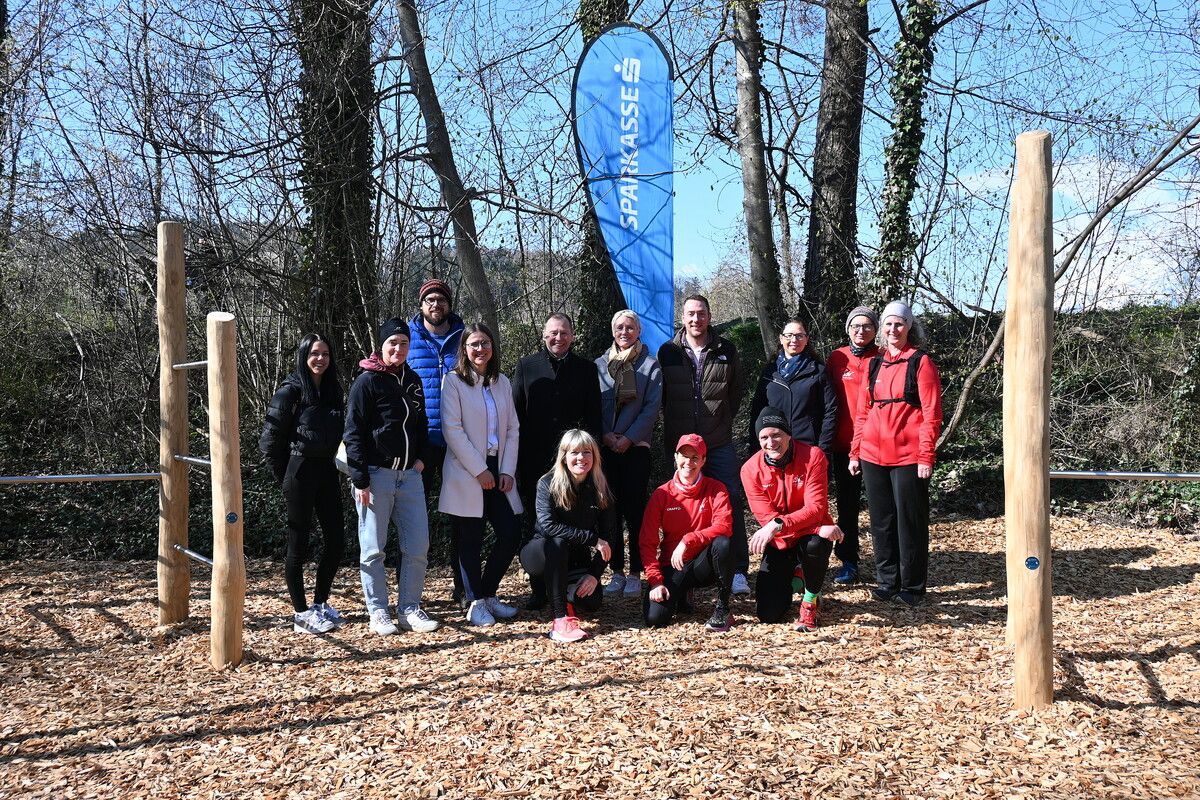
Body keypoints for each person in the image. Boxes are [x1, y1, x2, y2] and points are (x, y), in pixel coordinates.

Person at [344, 318, 440, 635]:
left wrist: (422, 461)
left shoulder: (412, 380)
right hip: (376, 476)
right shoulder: (366, 382)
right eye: (392, 343)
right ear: (381, 345)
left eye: (403, 343)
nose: (398, 348)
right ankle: (378, 611)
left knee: (418, 546)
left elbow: (422, 425)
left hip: (409, 476)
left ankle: (409, 609)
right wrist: (360, 478)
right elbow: (353, 432)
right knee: (373, 549)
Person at [849, 301, 944, 607]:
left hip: (908, 457)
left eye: (899, 324)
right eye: (888, 324)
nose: (893, 329)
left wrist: (926, 456)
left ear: (908, 327)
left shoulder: (921, 362)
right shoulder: (874, 364)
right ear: (882, 329)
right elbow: (863, 413)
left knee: (910, 523)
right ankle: (887, 582)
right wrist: (855, 452)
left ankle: (913, 586)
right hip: (872, 455)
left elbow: (932, 414)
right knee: (881, 522)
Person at [657, 294, 750, 595]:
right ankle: (685, 569)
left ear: (709, 316)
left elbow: (736, 391)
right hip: (682, 445)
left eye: (701, 313)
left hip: (717, 441)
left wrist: (721, 421)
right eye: (690, 314)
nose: (696, 319)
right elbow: (661, 396)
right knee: (681, 506)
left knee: (730, 500)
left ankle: (738, 570)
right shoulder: (668, 352)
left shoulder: (726, 349)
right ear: (682, 317)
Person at [512, 313, 603, 607]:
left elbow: (593, 418)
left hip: (575, 463)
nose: (558, 338)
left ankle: (570, 579)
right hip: (533, 461)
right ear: (544, 335)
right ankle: (539, 590)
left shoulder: (586, 369)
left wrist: (590, 459)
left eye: (564, 333)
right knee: (536, 524)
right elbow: (515, 416)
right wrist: (513, 463)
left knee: (570, 518)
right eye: (553, 333)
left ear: (572, 336)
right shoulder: (526, 366)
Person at [259, 333, 347, 634]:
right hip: (299, 471)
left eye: (325, 353)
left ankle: (320, 603)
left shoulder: (333, 391)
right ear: (303, 356)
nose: (320, 359)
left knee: (336, 540)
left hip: (327, 471)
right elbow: (269, 442)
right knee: (298, 545)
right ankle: (301, 613)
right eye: (314, 353)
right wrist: (285, 477)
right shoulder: (289, 392)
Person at [440, 322, 524, 626]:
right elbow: (452, 430)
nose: (480, 349)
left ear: (492, 347)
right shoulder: (453, 382)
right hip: (467, 471)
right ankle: (474, 602)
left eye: (485, 343)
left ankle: (488, 593)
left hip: (499, 468)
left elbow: (512, 428)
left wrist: (507, 470)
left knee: (510, 533)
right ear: (464, 349)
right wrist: (479, 470)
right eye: (474, 344)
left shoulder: (501, 381)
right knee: (470, 539)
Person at [741, 407, 844, 631]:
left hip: (807, 537)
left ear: (788, 434)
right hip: (782, 541)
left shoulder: (813, 456)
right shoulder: (749, 470)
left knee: (816, 544)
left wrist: (781, 524)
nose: (771, 442)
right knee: (768, 614)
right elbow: (767, 518)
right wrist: (814, 528)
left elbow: (816, 508)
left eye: (776, 435)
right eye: (764, 437)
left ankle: (810, 601)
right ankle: (799, 578)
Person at [520, 430, 617, 643]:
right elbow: (549, 526)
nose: (581, 457)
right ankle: (560, 619)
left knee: (592, 602)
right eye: (575, 452)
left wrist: (594, 574)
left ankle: (564, 590)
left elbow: (609, 536)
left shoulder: (600, 486)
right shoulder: (547, 482)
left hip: (574, 557)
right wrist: (592, 540)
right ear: (564, 456)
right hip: (542, 553)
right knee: (558, 543)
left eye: (587, 452)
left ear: (595, 456)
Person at [405, 278, 467, 605]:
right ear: (421, 305)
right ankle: (410, 592)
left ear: (449, 304)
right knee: (413, 517)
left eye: (441, 299)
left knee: (461, 516)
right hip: (421, 442)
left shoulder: (465, 337)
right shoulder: (407, 337)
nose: (435, 305)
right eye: (429, 299)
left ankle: (463, 586)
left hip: (459, 441)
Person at [594, 309, 662, 599]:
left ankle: (635, 571)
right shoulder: (599, 365)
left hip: (636, 448)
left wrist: (629, 438)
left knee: (635, 512)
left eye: (630, 327)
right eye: (620, 327)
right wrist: (605, 435)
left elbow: (651, 408)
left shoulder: (650, 365)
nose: (625, 332)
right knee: (610, 511)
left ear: (638, 331)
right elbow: (592, 405)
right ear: (613, 331)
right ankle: (617, 571)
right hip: (605, 448)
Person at [640, 434, 735, 631]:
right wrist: (655, 581)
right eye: (684, 456)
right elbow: (647, 542)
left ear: (703, 461)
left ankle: (723, 608)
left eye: (695, 457)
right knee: (655, 619)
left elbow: (724, 526)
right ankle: (682, 593)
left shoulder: (716, 488)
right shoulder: (661, 494)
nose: (688, 463)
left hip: (704, 563)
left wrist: (688, 539)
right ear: (675, 457)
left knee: (723, 543)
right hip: (673, 563)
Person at [825, 306, 880, 585]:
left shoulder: (883, 356)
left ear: (875, 330)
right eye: (856, 326)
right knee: (847, 506)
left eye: (867, 326)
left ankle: (888, 562)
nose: (861, 331)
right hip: (842, 445)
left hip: (877, 445)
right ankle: (848, 561)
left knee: (882, 506)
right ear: (848, 329)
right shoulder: (837, 357)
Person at [748, 316, 837, 452]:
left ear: (806, 339)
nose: (794, 340)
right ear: (781, 338)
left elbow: (830, 410)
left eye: (799, 336)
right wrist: (755, 446)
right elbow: (757, 410)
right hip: (775, 446)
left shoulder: (818, 371)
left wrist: (823, 447)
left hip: (808, 446)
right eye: (789, 335)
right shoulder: (770, 372)